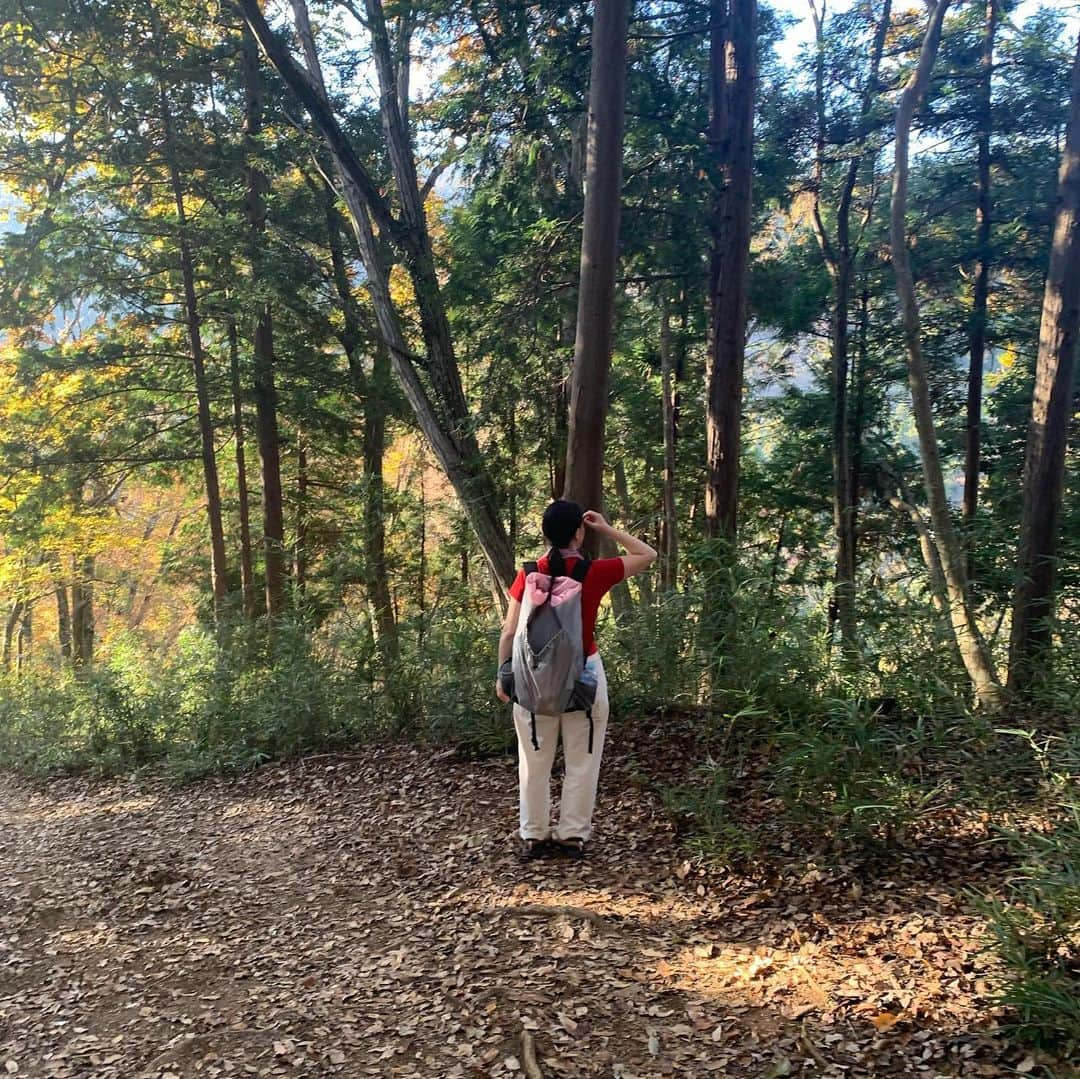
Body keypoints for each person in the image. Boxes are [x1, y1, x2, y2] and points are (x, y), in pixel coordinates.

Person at [495, 500, 657, 860]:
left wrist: (504, 674)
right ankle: (571, 834)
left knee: (533, 761)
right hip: (583, 678)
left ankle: (534, 835)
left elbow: (509, 632)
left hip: (532, 680)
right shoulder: (592, 573)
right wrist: (605, 527)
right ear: (579, 533)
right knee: (582, 759)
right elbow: (647, 554)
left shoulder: (528, 574)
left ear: (544, 534)